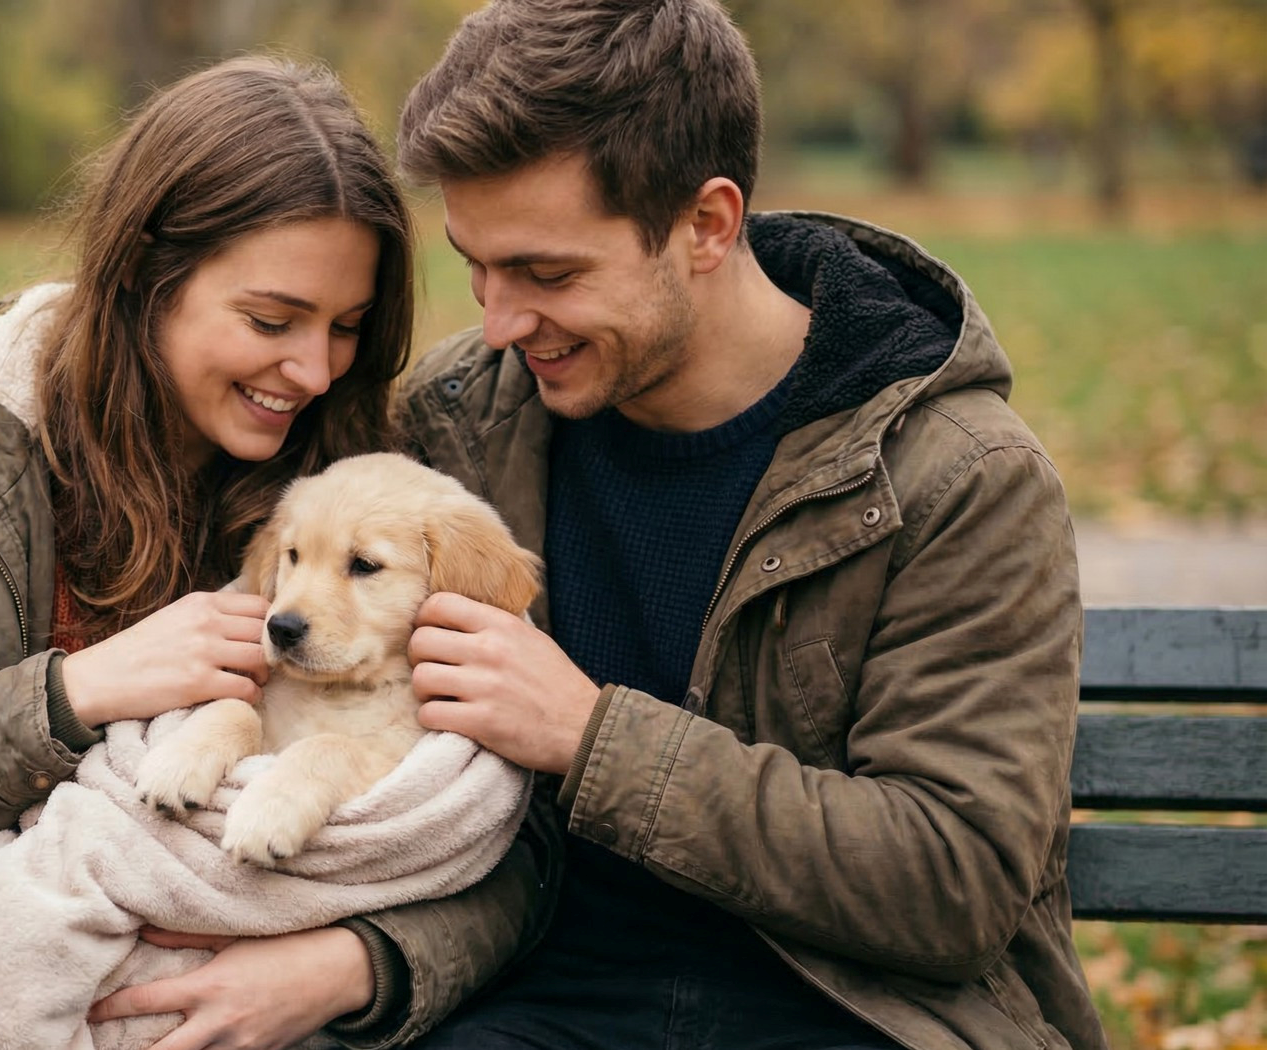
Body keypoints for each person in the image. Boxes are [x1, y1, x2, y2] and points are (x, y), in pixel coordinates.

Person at [0, 56, 548, 1050]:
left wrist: (351, 967)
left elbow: (507, 837)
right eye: (269, 320)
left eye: (345, 327)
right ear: (143, 276)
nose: (311, 370)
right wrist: (69, 696)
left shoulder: (369, 487)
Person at [391, 2, 1107, 1048]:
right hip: (528, 1005)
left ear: (707, 225)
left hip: (860, 1015)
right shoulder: (458, 429)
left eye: (548, 274)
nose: (498, 322)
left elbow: (951, 880)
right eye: (475, 264)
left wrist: (593, 740)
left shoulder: (955, 477)